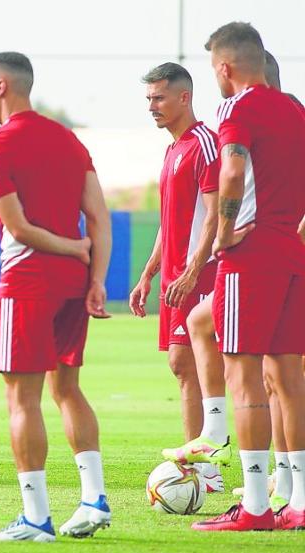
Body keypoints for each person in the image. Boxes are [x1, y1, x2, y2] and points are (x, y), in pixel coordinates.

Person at [0, 51, 114, 542]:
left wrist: (72, 247)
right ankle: (94, 498)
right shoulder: (68, 139)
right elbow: (99, 215)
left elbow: (18, 228)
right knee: (67, 389)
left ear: (1, 87)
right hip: (73, 284)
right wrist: (95, 276)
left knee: (22, 398)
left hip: (27, 283)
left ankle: (35, 517)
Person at [191, 22, 305, 532]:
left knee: (243, 376)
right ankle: (298, 500)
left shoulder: (237, 108)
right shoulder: (295, 109)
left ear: (224, 67)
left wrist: (223, 232)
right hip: (293, 252)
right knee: (288, 377)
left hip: (251, 255)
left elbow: (231, 170)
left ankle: (256, 504)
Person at [127, 63, 227, 493]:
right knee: (182, 367)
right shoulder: (173, 150)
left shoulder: (205, 143)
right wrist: (148, 273)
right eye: (148, 98)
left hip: (201, 274)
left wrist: (192, 270)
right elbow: (172, 223)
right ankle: (202, 465)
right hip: (174, 277)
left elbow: (215, 216)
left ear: (184, 97)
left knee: (211, 368)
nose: (151, 106)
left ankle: (213, 465)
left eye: (159, 98)